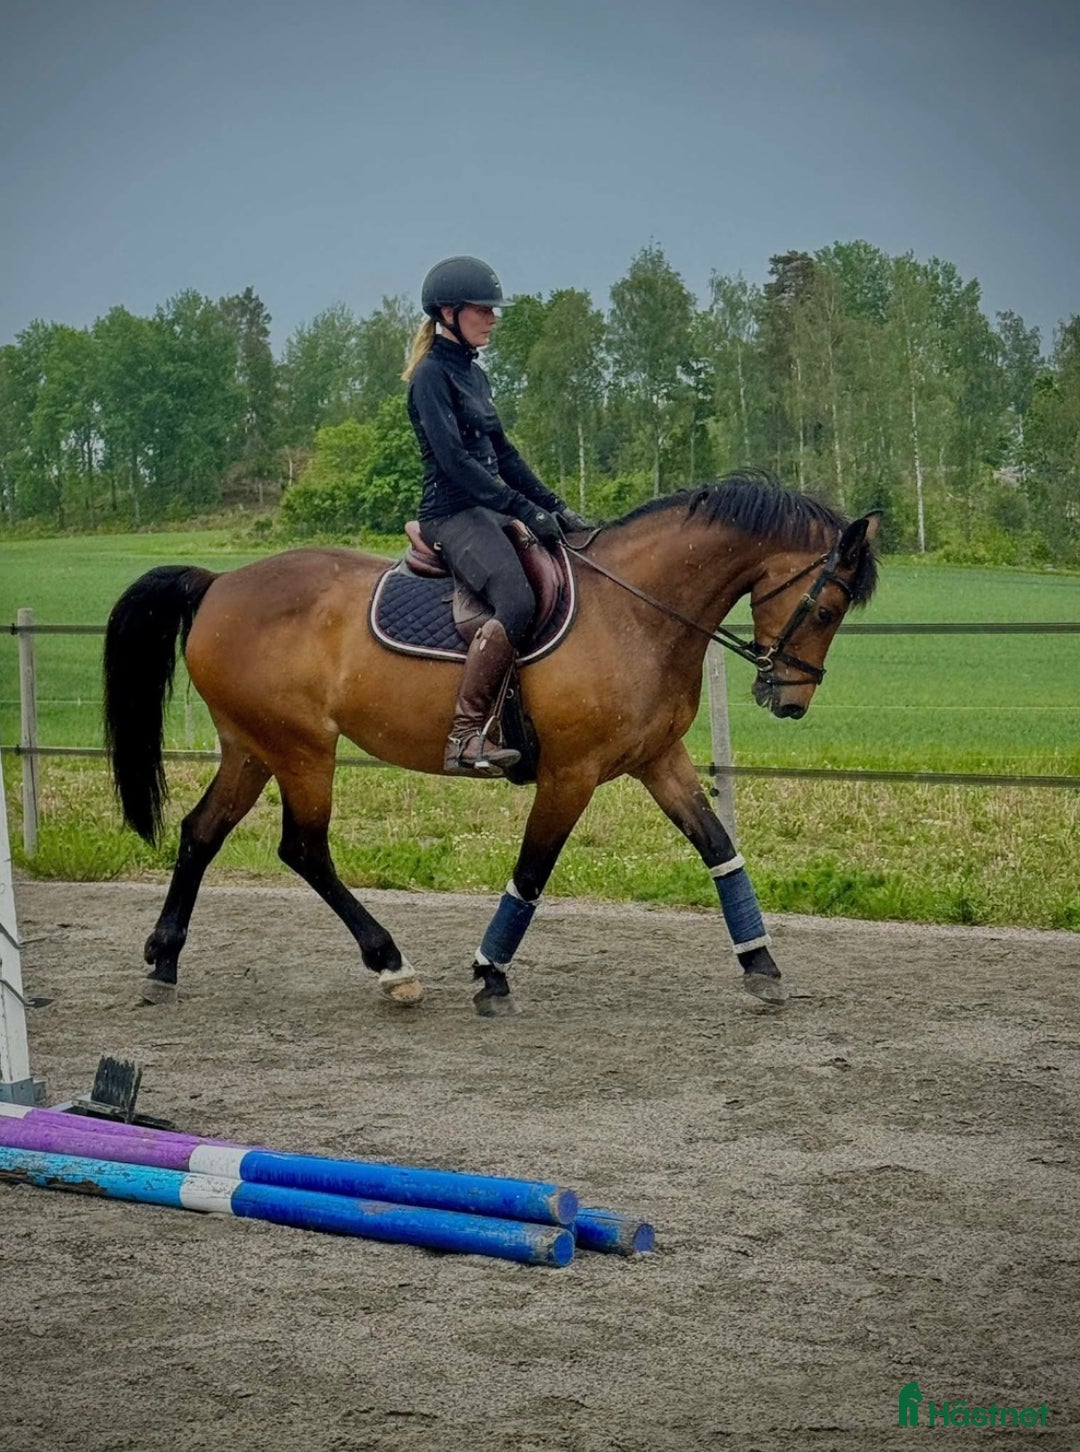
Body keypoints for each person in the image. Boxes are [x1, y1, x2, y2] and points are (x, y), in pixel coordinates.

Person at [403, 255, 588, 777]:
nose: (493, 318)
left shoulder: (474, 375)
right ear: (448, 311)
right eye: (483, 310)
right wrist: (523, 508)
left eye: (493, 310)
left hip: (486, 508)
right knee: (515, 598)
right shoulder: (430, 376)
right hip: (452, 514)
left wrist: (555, 506)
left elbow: (503, 454)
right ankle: (463, 738)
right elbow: (456, 464)